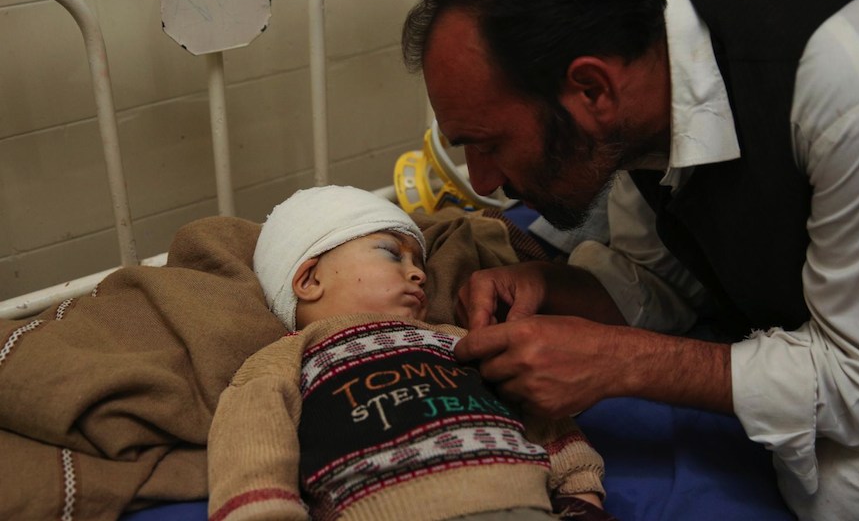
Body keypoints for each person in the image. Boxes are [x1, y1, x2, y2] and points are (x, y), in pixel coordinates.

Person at [400, 0, 859, 520]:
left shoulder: (854, 85)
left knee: (844, 490)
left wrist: (621, 360)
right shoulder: (649, 70)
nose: (481, 183)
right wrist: (554, 287)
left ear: (592, 89)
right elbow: (668, 273)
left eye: (490, 144)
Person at [207, 185, 614, 521]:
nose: (419, 272)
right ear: (310, 279)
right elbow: (251, 444)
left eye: (418, 261)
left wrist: (580, 489)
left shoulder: (457, 339)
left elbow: (535, 402)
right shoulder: (291, 357)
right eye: (390, 253)